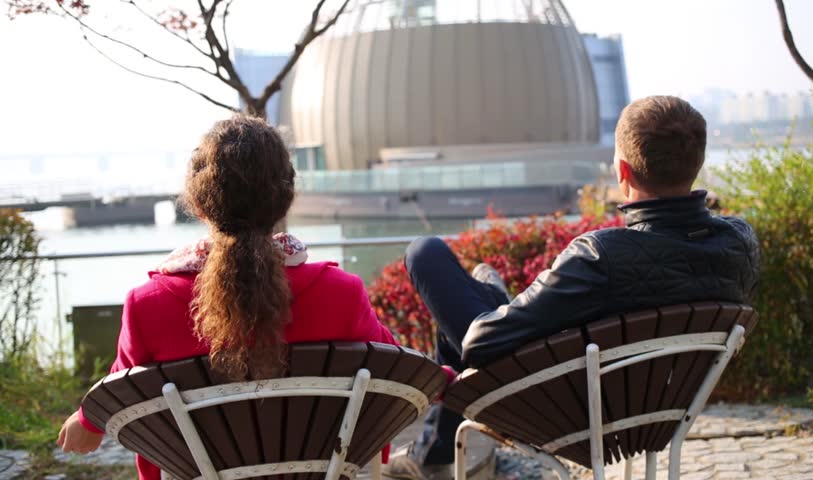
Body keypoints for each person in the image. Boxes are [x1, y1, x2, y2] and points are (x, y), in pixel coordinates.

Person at [384, 96, 759, 479]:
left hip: (568, 412)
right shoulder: (739, 244)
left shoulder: (600, 256)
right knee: (484, 293)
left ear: (623, 171)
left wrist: (493, 307)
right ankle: (432, 451)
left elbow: (479, 345)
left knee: (425, 253)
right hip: (662, 413)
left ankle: (432, 451)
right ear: (696, 164)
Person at [56, 115, 401, 480]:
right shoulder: (340, 293)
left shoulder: (148, 305)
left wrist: (87, 421)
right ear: (285, 201)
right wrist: (447, 380)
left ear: (200, 205)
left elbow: (121, 388)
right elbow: (393, 372)